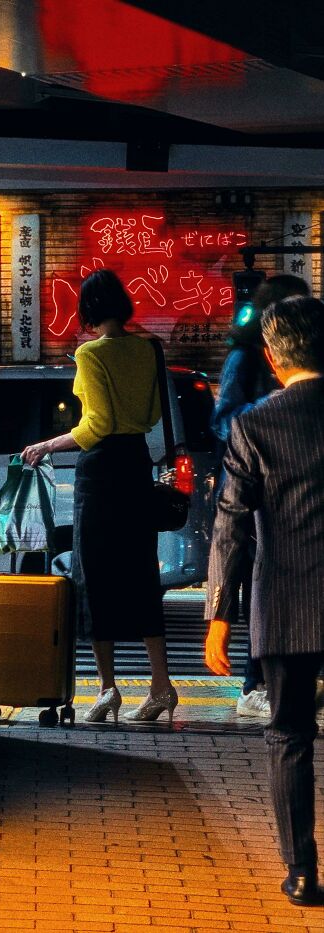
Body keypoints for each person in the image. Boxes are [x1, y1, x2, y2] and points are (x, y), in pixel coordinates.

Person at [205, 295, 324, 907]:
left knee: (289, 734)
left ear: (274, 359)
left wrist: (219, 615)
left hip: (286, 605)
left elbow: (230, 524)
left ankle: (302, 871)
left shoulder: (255, 425)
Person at [22, 268, 177, 725]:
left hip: (102, 472)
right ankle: (162, 685)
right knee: (142, 575)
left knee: (94, 577)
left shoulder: (90, 355)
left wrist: (47, 444)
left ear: (88, 311)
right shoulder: (149, 348)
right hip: (136, 464)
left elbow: (96, 426)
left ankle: (108, 690)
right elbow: (147, 414)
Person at [212, 274, 310, 718]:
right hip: (258, 480)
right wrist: (276, 412)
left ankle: (283, 678)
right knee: (261, 578)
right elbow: (224, 418)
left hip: (291, 480)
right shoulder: (245, 357)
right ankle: (255, 684)